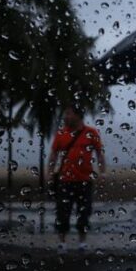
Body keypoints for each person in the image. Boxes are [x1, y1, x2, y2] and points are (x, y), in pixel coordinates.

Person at [48, 104, 106, 252]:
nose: (66, 117)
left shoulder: (91, 133)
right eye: (65, 114)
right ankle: (62, 243)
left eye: (69, 113)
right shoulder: (61, 134)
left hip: (85, 181)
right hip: (64, 181)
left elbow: (99, 153)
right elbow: (54, 154)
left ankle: (82, 242)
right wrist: (50, 171)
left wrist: (102, 172)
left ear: (78, 116)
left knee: (84, 212)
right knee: (63, 212)